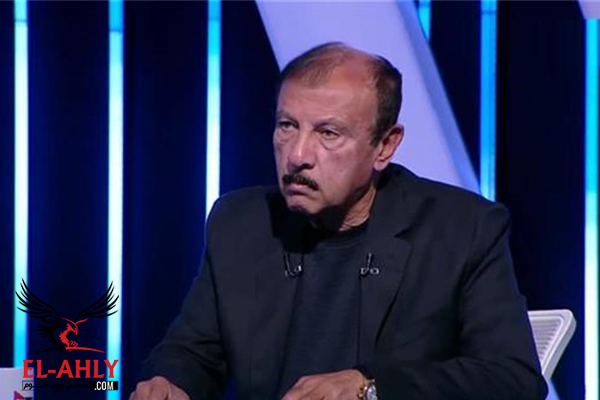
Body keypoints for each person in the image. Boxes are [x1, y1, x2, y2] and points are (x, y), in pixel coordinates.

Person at [131, 43, 547, 400]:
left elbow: (512, 378)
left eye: (328, 133)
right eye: (287, 126)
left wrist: (368, 387)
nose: (297, 155)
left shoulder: (462, 229)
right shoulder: (240, 222)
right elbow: (193, 351)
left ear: (385, 146)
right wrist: (170, 383)